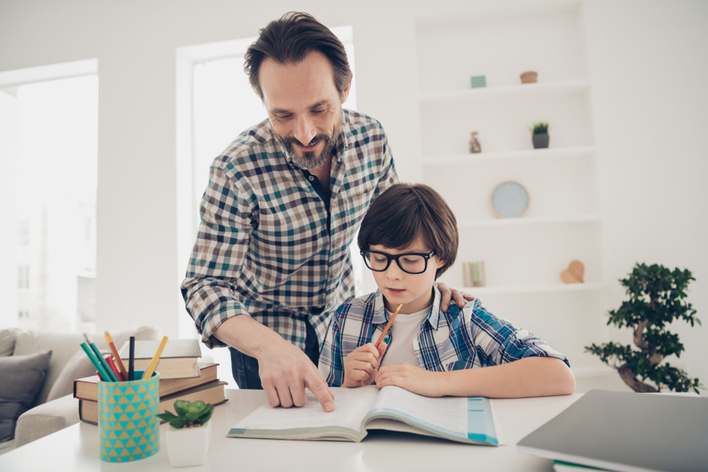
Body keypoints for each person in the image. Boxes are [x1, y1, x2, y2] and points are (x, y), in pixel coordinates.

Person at [181, 12, 471, 412]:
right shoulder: (235, 170)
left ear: (345, 89)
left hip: (346, 331)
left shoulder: (372, 139)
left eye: (319, 109)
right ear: (264, 103)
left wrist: (430, 280)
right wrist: (269, 347)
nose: (304, 133)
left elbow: (399, 231)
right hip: (264, 344)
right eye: (282, 115)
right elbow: (203, 287)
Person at [319, 183, 576, 398]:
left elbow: (559, 376)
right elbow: (325, 408)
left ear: (440, 257)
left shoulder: (464, 317)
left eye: (410, 260)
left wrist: (436, 382)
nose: (392, 274)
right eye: (379, 257)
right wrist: (346, 387)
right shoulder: (347, 318)